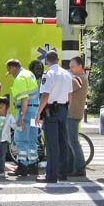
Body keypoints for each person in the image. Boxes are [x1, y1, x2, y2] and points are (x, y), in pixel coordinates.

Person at [35, 51, 72, 183]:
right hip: (63, 109)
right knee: (63, 142)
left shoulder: (49, 74)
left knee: (51, 144)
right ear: (58, 59)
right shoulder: (67, 74)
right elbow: (70, 95)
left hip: (51, 110)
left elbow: (45, 95)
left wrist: (39, 112)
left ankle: (51, 175)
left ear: (47, 61)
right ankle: (62, 172)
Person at [5, 59, 40, 177]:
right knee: (32, 139)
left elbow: (24, 99)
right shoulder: (29, 74)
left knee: (21, 139)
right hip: (35, 112)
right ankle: (33, 165)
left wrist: (21, 117)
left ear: (12, 67)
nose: (8, 73)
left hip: (25, 112)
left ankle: (23, 166)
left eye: (8, 70)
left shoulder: (20, 79)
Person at [67, 56, 89, 177]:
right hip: (73, 113)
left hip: (73, 113)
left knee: (73, 142)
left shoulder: (80, 79)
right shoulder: (80, 78)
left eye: (72, 67)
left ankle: (80, 168)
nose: (70, 69)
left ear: (80, 66)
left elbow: (67, 88)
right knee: (70, 142)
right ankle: (71, 167)